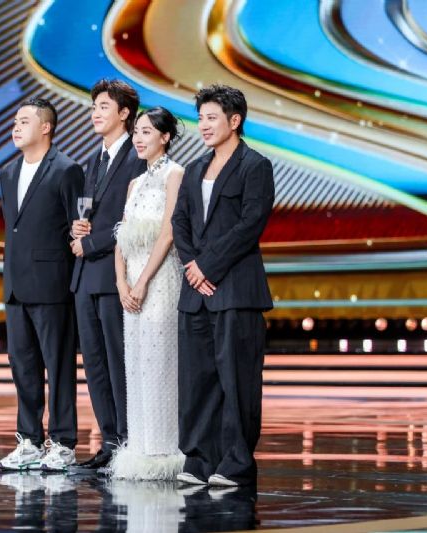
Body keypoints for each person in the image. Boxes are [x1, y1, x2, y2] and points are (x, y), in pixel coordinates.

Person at [171, 85, 275, 487]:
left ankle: (235, 463)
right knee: (196, 381)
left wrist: (208, 266)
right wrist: (191, 266)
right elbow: (180, 221)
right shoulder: (195, 168)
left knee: (237, 380)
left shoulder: (255, 166)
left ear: (235, 120)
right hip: (195, 292)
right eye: (200, 118)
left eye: (211, 118)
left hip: (235, 290)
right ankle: (199, 460)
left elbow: (250, 225)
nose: (203, 125)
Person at [0, 98, 84, 472]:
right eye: (15, 122)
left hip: (52, 285)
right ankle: (29, 441)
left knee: (58, 366)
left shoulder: (66, 170)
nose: (16, 127)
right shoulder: (8, 173)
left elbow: (78, 227)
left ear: (46, 127)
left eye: (24, 121)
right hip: (16, 286)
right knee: (23, 366)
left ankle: (63, 443)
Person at [69, 79, 147, 473]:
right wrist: (77, 230)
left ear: (124, 113)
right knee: (95, 366)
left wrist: (92, 242)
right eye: (94, 106)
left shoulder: (137, 157)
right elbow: (89, 213)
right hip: (85, 277)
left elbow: (133, 221)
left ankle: (129, 443)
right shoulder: (93, 160)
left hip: (116, 276)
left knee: (119, 363)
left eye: (103, 106)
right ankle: (110, 443)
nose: (95, 113)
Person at [108, 107, 185, 480]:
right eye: (136, 131)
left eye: (146, 132)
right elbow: (121, 238)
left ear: (165, 137)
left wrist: (142, 283)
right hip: (131, 284)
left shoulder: (176, 174)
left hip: (160, 280)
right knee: (136, 363)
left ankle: (163, 448)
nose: (138, 138)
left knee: (160, 361)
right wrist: (122, 283)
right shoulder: (134, 183)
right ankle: (139, 447)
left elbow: (169, 233)